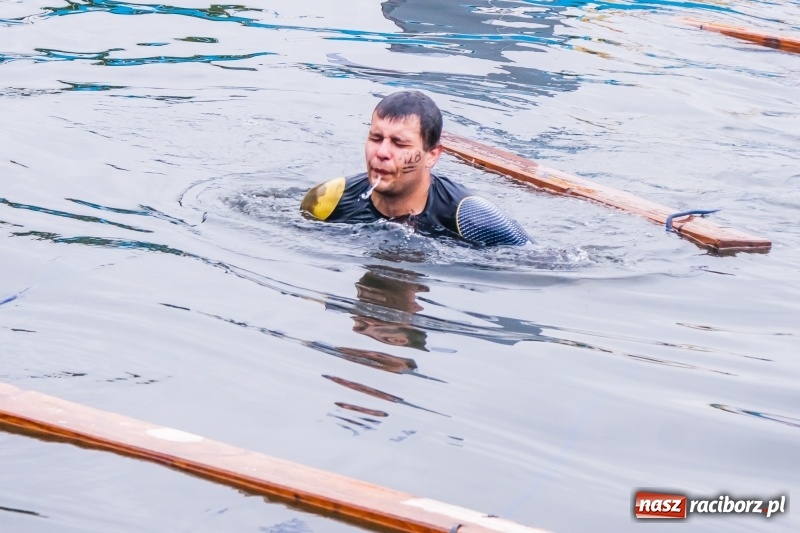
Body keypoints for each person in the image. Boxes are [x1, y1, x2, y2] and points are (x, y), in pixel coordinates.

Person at [300, 90, 531, 246]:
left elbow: (539, 263)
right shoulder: (329, 200)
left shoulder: (472, 219)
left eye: (400, 143)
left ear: (432, 155)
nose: (382, 153)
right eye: (376, 138)